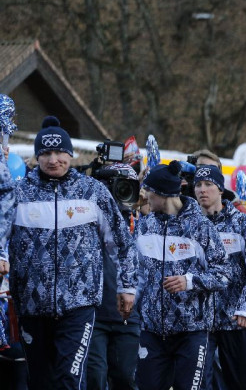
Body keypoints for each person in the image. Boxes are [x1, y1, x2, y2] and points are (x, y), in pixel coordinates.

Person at [1, 116, 138, 389]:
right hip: (31, 304)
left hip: (78, 305)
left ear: (70, 154)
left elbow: (121, 242)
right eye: (46, 153)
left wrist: (127, 287)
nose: (53, 159)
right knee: (41, 381)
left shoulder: (93, 191)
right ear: (37, 156)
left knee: (70, 380)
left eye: (59, 152)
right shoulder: (19, 193)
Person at [135, 161, 231, 390]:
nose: (145, 196)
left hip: (192, 331)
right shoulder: (144, 226)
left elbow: (224, 273)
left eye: (148, 191)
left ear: (162, 194)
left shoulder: (200, 227)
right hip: (152, 330)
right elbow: (133, 269)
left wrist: (189, 281)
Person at [194, 165, 246, 390]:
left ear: (220, 189)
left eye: (208, 185)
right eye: (198, 185)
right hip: (201, 322)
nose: (202, 190)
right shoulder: (191, 223)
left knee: (244, 384)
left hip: (237, 320)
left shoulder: (242, 223)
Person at [86, 163, 142, 390]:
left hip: (129, 316)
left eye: (129, 186)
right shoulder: (88, 218)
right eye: (119, 186)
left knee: (126, 379)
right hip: (94, 314)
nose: (124, 191)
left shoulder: (143, 223)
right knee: (94, 379)